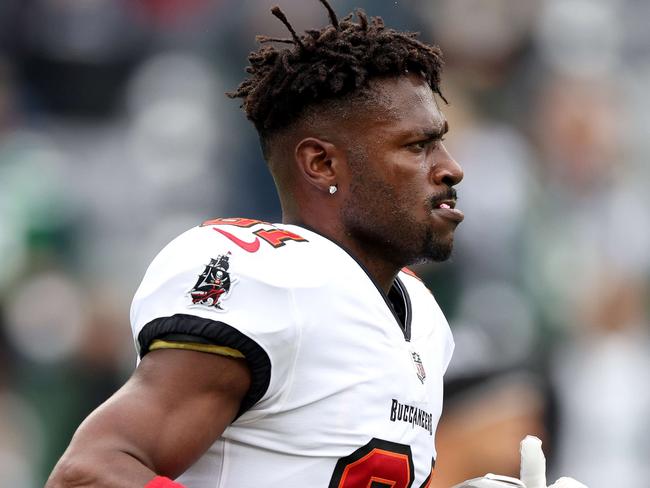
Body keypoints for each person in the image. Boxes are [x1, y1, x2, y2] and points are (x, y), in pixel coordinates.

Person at [46, 2, 586, 487]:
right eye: (418, 146)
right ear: (322, 163)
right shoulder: (272, 281)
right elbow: (90, 473)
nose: (451, 168)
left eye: (442, 142)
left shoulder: (422, 316)